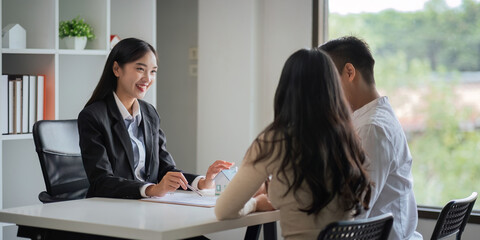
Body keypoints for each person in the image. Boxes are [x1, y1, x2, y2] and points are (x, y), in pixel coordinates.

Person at [215, 48, 372, 239]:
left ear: (286, 90)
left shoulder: (275, 141)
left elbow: (224, 210)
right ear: (334, 90)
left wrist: (256, 204)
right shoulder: (348, 140)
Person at [78, 38, 233, 199]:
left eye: (153, 71)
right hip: (111, 208)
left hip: (148, 206)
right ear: (117, 69)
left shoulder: (149, 113)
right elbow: (101, 182)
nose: (147, 78)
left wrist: (202, 182)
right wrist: (151, 189)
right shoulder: (93, 116)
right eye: (140, 69)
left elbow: (165, 170)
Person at [320, 36, 423, 240]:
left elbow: (355, 212)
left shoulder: (371, 127)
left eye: (327, 81)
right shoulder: (375, 118)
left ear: (349, 72)